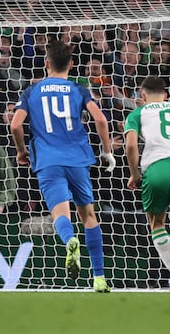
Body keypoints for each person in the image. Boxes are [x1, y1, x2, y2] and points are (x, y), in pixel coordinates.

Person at [10, 39, 115, 293]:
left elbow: (15, 125)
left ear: (46, 64)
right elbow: (100, 119)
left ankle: (70, 241)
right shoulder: (78, 89)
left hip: (48, 161)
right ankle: (99, 278)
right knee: (89, 216)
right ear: (71, 64)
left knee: (60, 215)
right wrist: (107, 151)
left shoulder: (31, 91)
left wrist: (22, 151)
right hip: (77, 159)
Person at [124, 76, 170, 277]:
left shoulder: (137, 113)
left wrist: (135, 174)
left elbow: (131, 145)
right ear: (166, 95)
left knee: (157, 224)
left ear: (142, 95)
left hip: (157, 169)